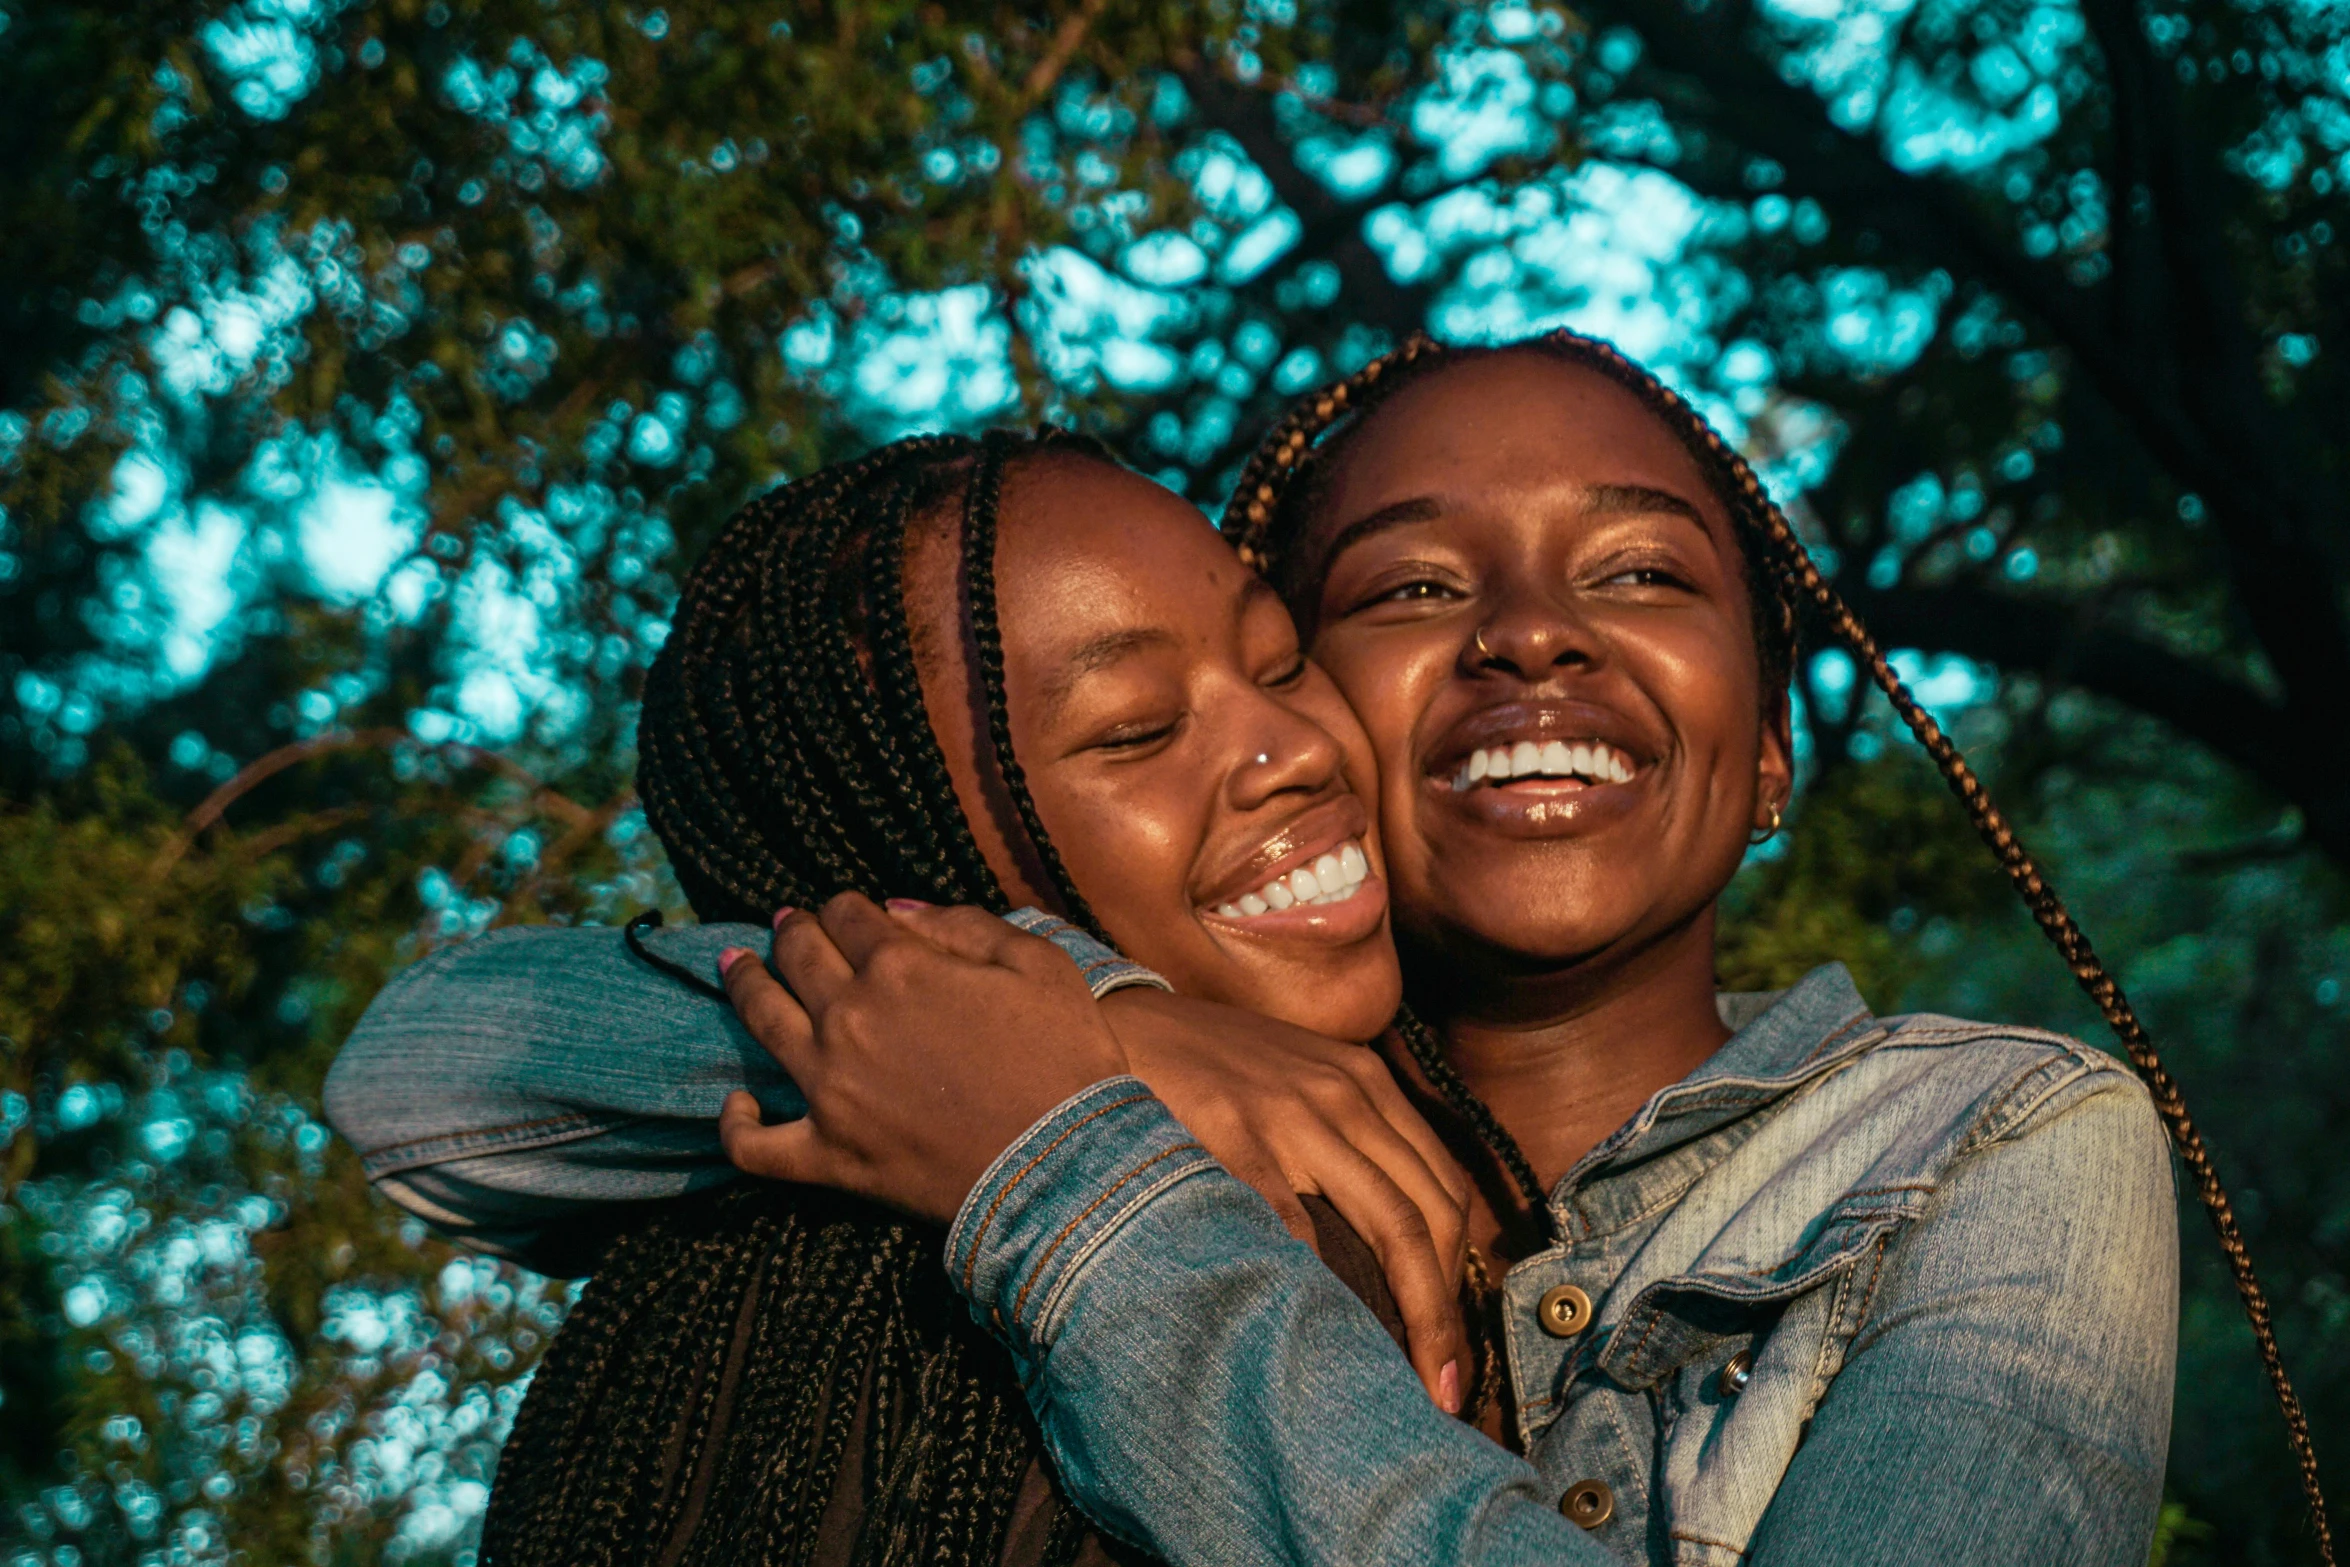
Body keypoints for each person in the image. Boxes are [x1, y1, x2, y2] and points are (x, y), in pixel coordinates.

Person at [708, 334, 2324, 1565]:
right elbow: (455, 1064)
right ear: (1313, 705)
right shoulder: (1122, 1078)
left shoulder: (1989, 1136)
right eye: (1411, 583)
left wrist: (1068, 1165)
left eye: (1640, 571)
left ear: (1769, 746)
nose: (1532, 629)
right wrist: (1106, 1022)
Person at [328, 426, 1482, 1567]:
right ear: (915, 840)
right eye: (1137, 728)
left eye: (1281, 662)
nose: (1295, 745)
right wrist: (1062, 1029)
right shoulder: (884, 1312)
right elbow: (422, 1064)